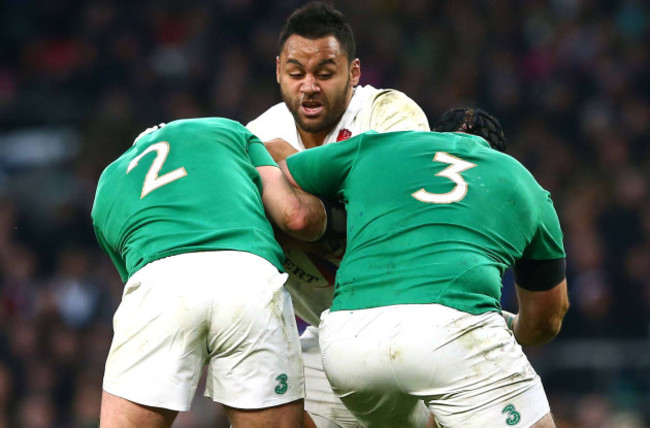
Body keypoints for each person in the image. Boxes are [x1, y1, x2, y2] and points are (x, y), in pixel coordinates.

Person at [279, 107, 570, 428]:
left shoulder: (378, 146)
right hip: (453, 331)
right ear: (495, 153)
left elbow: (279, 170)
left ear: (432, 137)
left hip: (349, 343)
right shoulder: (518, 178)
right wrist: (511, 327)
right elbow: (545, 320)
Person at [246, 3, 431, 427]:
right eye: (296, 73)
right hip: (327, 333)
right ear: (278, 71)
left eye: (325, 73)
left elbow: (394, 212)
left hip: (411, 318)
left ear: (354, 72)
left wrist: (290, 169)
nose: (309, 86)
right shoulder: (257, 133)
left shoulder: (389, 114)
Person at [91, 117, 327, 428]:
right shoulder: (227, 129)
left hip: (159, 285)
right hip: (247, 276)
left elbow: (134, 272)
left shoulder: (106, 185)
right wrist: (332, 218)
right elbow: (295, 216)